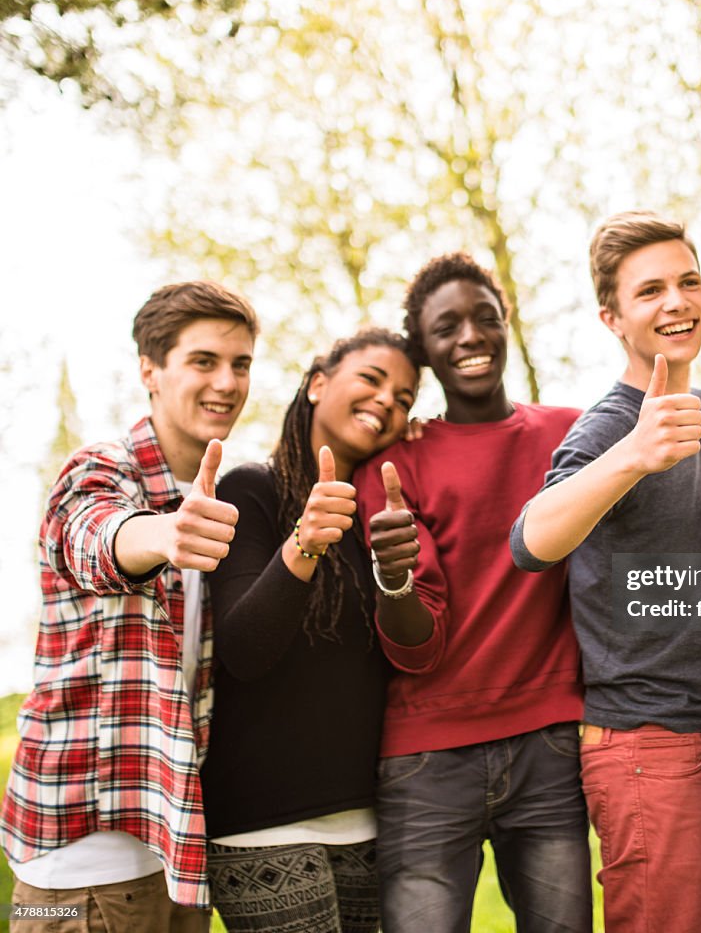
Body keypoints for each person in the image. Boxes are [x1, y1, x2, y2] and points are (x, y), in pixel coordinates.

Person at [510, 211, 701, 932]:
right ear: (613, 318)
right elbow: (530, 540)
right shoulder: (608, 427)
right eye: (650, 291)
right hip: (648, 751)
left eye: (688, 282)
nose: (677, 302)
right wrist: (632, 454)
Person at [2, 281, 259, 930]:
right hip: (80, 875)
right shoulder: (104, 468)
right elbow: (86, 534)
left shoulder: (208, 492)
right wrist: (159, 535)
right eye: (203, 361)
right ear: (150, 369)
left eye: (241, 363)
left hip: (169, 856)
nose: (226, 382)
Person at [356, 253, 591, 933]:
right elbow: (414, 647)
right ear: (423, 349)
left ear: (506, 324)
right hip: (425, 761)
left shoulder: (573, 435)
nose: (469, 337)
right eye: (446, 326)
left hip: (548, 744)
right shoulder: (397, 467)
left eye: (485, 318)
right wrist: (393, 577)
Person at [199, 329, 419, 933]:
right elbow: (244, 649)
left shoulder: (378, 520)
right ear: (318, 383)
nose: (387, 403)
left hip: (368, 821)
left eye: (404, 399)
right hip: (265, 823)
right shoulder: (251, 490)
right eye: (371, 379)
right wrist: (305, 541)